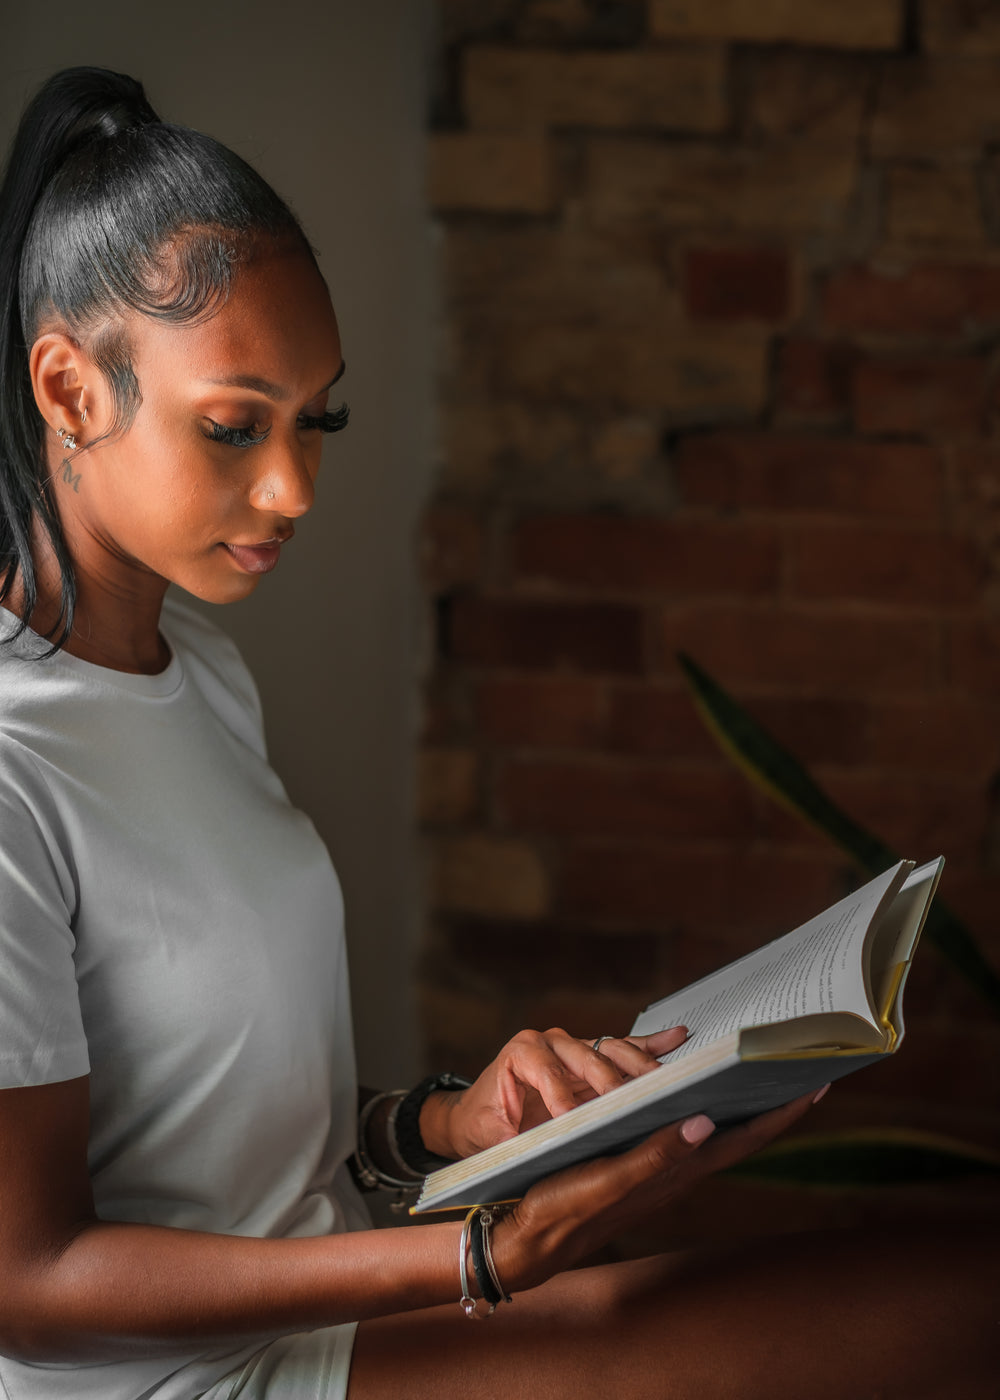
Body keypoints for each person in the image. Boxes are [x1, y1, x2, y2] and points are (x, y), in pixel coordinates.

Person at [0, 66, 993, 1400]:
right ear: (68, 388)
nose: (292, 487)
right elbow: (27, 1283)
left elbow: (220, 1148)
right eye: (236, 427)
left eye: (317, 422)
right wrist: (478, 1256)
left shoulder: (202, 675)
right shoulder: (15, 763)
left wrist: (446, 1124)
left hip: (337, 1322)